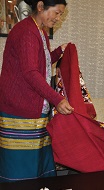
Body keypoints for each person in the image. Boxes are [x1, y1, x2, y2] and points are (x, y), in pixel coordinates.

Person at [0, 0, 73, 182]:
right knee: (21, 166)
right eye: (56, 13)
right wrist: (58, 99)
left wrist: (60, 51)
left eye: (60, 15)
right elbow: (31, 72)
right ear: (41, 6)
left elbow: (42, 63)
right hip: (19, 108)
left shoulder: (39, 32)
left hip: (34, 106)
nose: (58, 18)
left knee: (37, 161)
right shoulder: (26, 31)